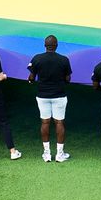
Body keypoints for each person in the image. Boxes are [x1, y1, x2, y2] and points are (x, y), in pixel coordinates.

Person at [29, 33, 73, 163]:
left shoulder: (37, 58)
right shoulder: (64, 59)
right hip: (59, 95)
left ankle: (47, 154)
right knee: (59, 122)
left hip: (42, 95)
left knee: (45, 122)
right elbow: (68, 78)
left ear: (45, 46)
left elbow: (31, 77)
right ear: (56, 46)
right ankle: (60, 154)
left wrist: (31, 80)